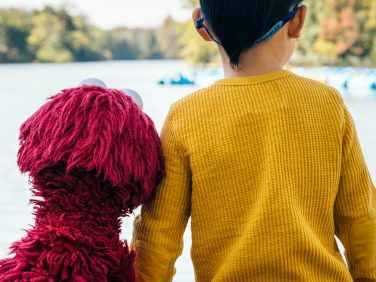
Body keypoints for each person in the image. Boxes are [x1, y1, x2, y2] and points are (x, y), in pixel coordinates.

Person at [130, 0, 376, 281]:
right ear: (298, 21)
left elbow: (157, 237)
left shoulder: (185, 116)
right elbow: (362, 220)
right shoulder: (328, 104)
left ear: (202, 25)